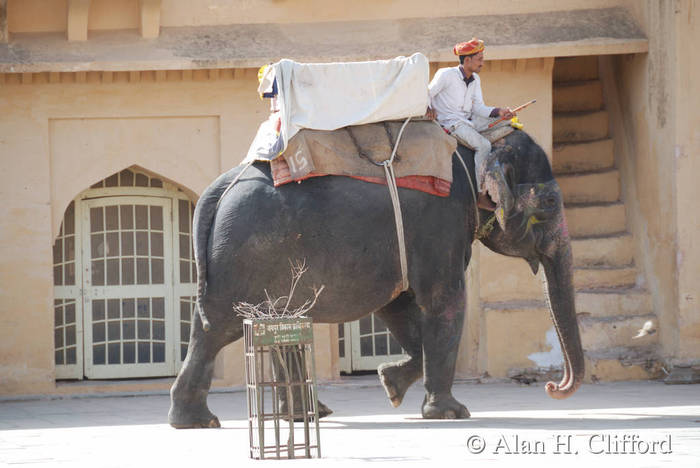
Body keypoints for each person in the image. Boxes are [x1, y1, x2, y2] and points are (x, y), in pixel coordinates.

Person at [426, 38, 514, 210]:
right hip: (451, 123)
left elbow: (479, 107)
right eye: (479, 59)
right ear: (467, 60)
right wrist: (428, 108)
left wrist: (500, 112)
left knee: (508, 122)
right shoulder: (446, 74)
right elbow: (427, 93)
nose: (482, 63)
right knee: (484, 146)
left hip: (469, 120)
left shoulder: (476, 80)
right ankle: (480, 194)